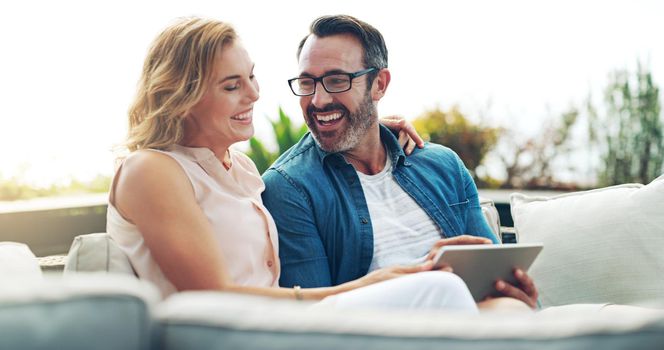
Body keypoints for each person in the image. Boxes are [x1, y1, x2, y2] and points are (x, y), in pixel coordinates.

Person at [107, 16, 499, 313]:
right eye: (232, 85)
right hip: (233, 334)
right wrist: (370, 284)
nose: (254, 94)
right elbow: (213, 298)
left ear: (379, 84)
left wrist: (372, 126)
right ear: (182, 94)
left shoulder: (236, 170)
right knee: (443, 289)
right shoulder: (151, 170)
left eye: (252, 77)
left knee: (491, 303)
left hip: (278, 326)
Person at [261, 14, 539, 308]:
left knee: (515, 307)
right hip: (386, 335)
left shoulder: (442, 165)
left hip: (483, 320)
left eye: (336, 81)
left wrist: (518, 291)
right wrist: (425, 274)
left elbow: (497, 272)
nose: (318, 100)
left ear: (379, 84)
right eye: (307, 83)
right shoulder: (289, 187)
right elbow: (313, 313)